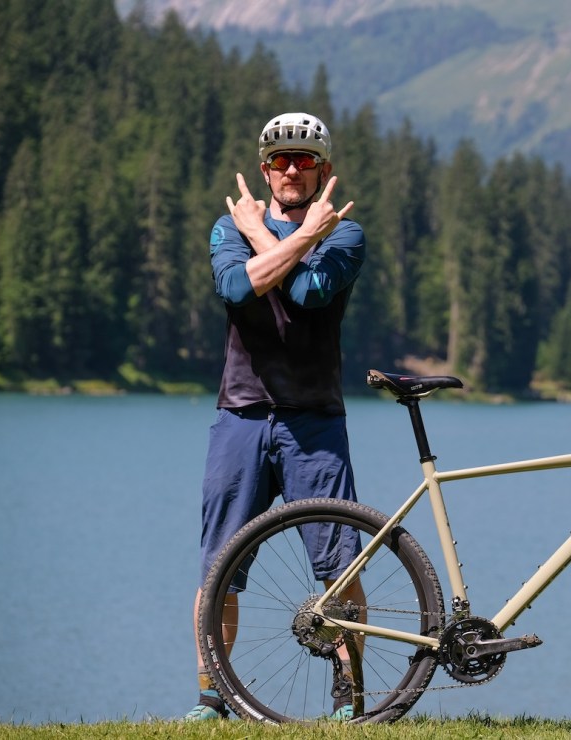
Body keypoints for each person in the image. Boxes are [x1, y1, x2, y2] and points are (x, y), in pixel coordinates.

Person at [186, 112, 367, 722]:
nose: (293, 169)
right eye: (281, 159)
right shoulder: (226, 227)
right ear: (265, 168)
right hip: (240, 414)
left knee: (339, 566)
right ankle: (212, 697)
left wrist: (281, 243)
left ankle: (351, 696)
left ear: (325, 169)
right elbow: (238, 291)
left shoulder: (346, 234)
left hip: (314, 420)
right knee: (220, 565)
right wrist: (297, 242)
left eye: (306, 159)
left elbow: (308, 293)